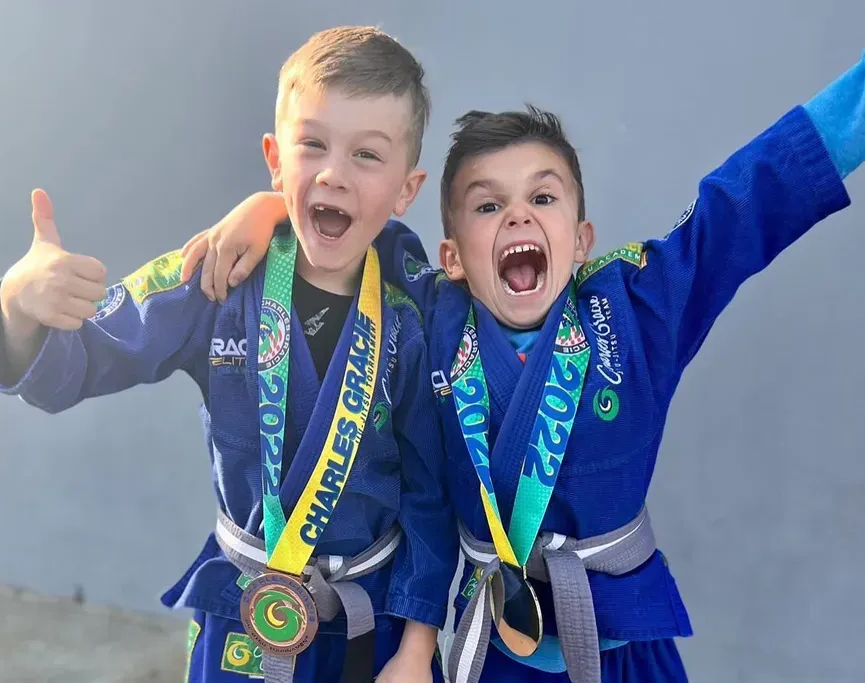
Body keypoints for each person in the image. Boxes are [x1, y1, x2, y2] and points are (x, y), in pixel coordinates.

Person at [175, 49, 865, 683]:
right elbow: (345, 225)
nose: (516, 218)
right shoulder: (427, 315)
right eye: (486, 204)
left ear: (580, 239)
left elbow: (742, 206)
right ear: (451, 256)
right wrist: (270, 210)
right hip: (499, 645)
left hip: (623, 642)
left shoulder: (635, 311)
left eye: (542, 197)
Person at [0, 26, 459, 683]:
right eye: (311, 144)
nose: (333, 172)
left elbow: (432, 496)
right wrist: (21, 303)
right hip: (244, 618)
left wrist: (418, 646)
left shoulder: (413, 314)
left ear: (406, 188)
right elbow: (83, 360)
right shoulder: (214, 277)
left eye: (367, 155)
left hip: (373, 630)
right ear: (274, 158)